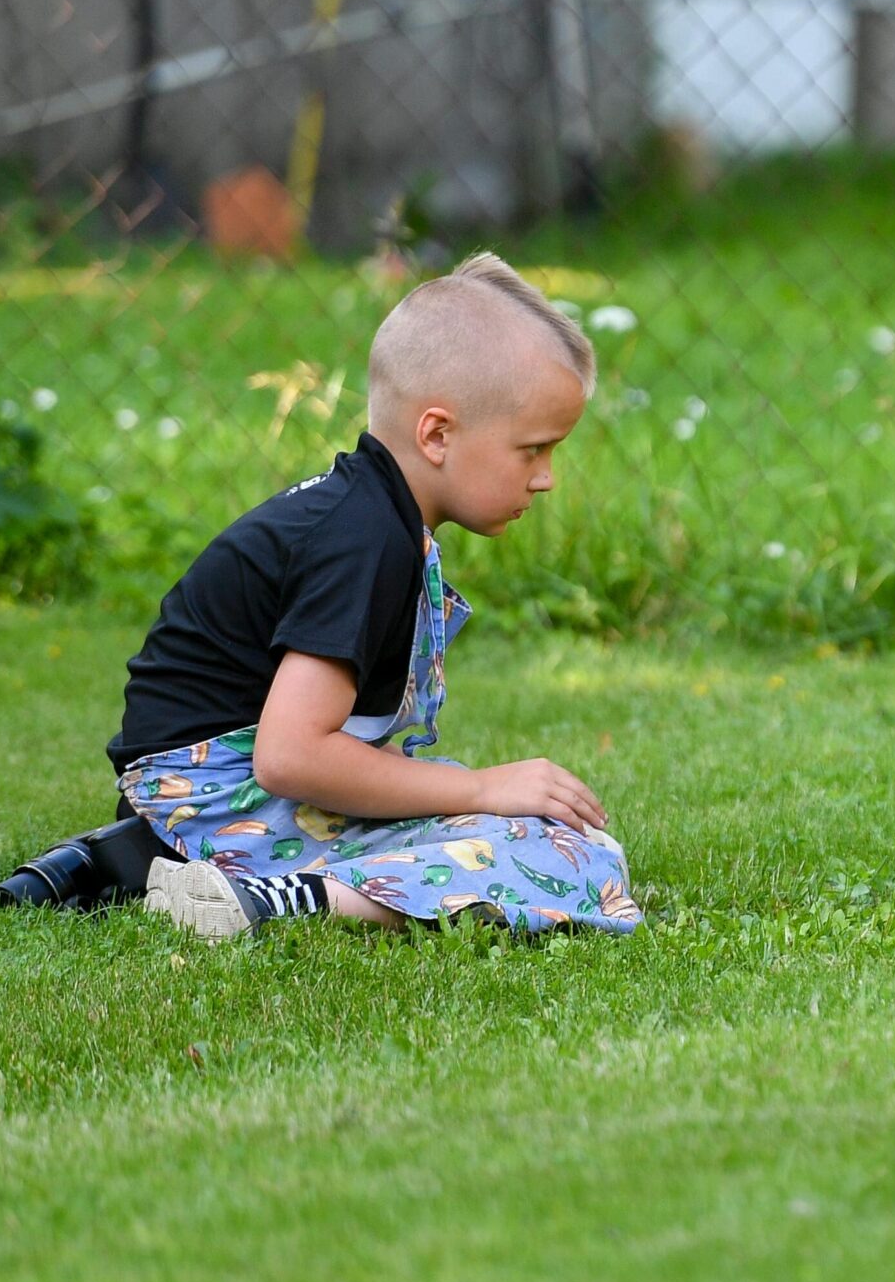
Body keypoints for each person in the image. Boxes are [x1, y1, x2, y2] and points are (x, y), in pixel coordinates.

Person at [111, 252, 638, 940]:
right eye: (532, 449)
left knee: (524, 824)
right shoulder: (366, 540)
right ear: (438, 433)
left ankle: (137, 860)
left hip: (201, 797)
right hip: (210, 801)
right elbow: (290, 756)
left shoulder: (372, 517)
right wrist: (482, 789)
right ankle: (268, 901)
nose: (546, 479)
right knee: (570, 858)